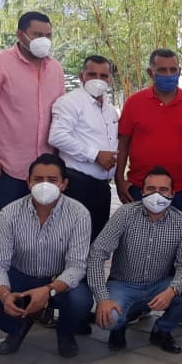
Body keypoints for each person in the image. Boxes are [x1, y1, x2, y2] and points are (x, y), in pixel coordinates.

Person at [0, 11, 64, 342]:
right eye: (37, 34)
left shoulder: (55, 69)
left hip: (46, 174)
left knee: (45, 238)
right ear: (20, 34)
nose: (43, 40)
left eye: (48, 34)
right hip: (8, 167)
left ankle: (37, 303)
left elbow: (58, 116)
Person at [0, 154, 92, 358]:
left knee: (81, 300)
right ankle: (18, 326)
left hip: (56, 280)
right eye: (38, 179)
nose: (45, 185)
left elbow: (77, 266)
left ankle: (65, 333)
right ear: (28, 182)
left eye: (52, 180)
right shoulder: (9, 213)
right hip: (20, 276)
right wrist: (5, 296)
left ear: (64, 184)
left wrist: (48, 290)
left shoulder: (79, 214)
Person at [87, 166, 182, 354]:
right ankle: (119, 328)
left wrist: (172, 291)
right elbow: (96, 254)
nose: (156, 195)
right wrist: (102, 298)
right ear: (142, 192)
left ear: (172, 194)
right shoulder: (125, 214)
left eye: (163, 190)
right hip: (123, 284)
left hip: (159, 284)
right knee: (109, 320)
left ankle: (162, 330)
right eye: (151, 189)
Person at [115, 48, 182, 216]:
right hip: (141, 188)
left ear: (179, 71)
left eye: (173, 70)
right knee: (138, 233)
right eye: (162, 70)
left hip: (181, 190)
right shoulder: (134, 103)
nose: (168, 74)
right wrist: (119, 180)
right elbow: (123, 144)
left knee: (179, 232)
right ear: (150, 72)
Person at [48, 54, 119, 241]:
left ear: (110, 79)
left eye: (104, 76)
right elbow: (57, 136)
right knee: (72, 241)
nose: (98, 80)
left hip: (102, 188)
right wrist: (95, 155)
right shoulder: (70, 102)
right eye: (92, 74)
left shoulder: (110, 109)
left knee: (96, 243)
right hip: (78, 185)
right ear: (82, 76)